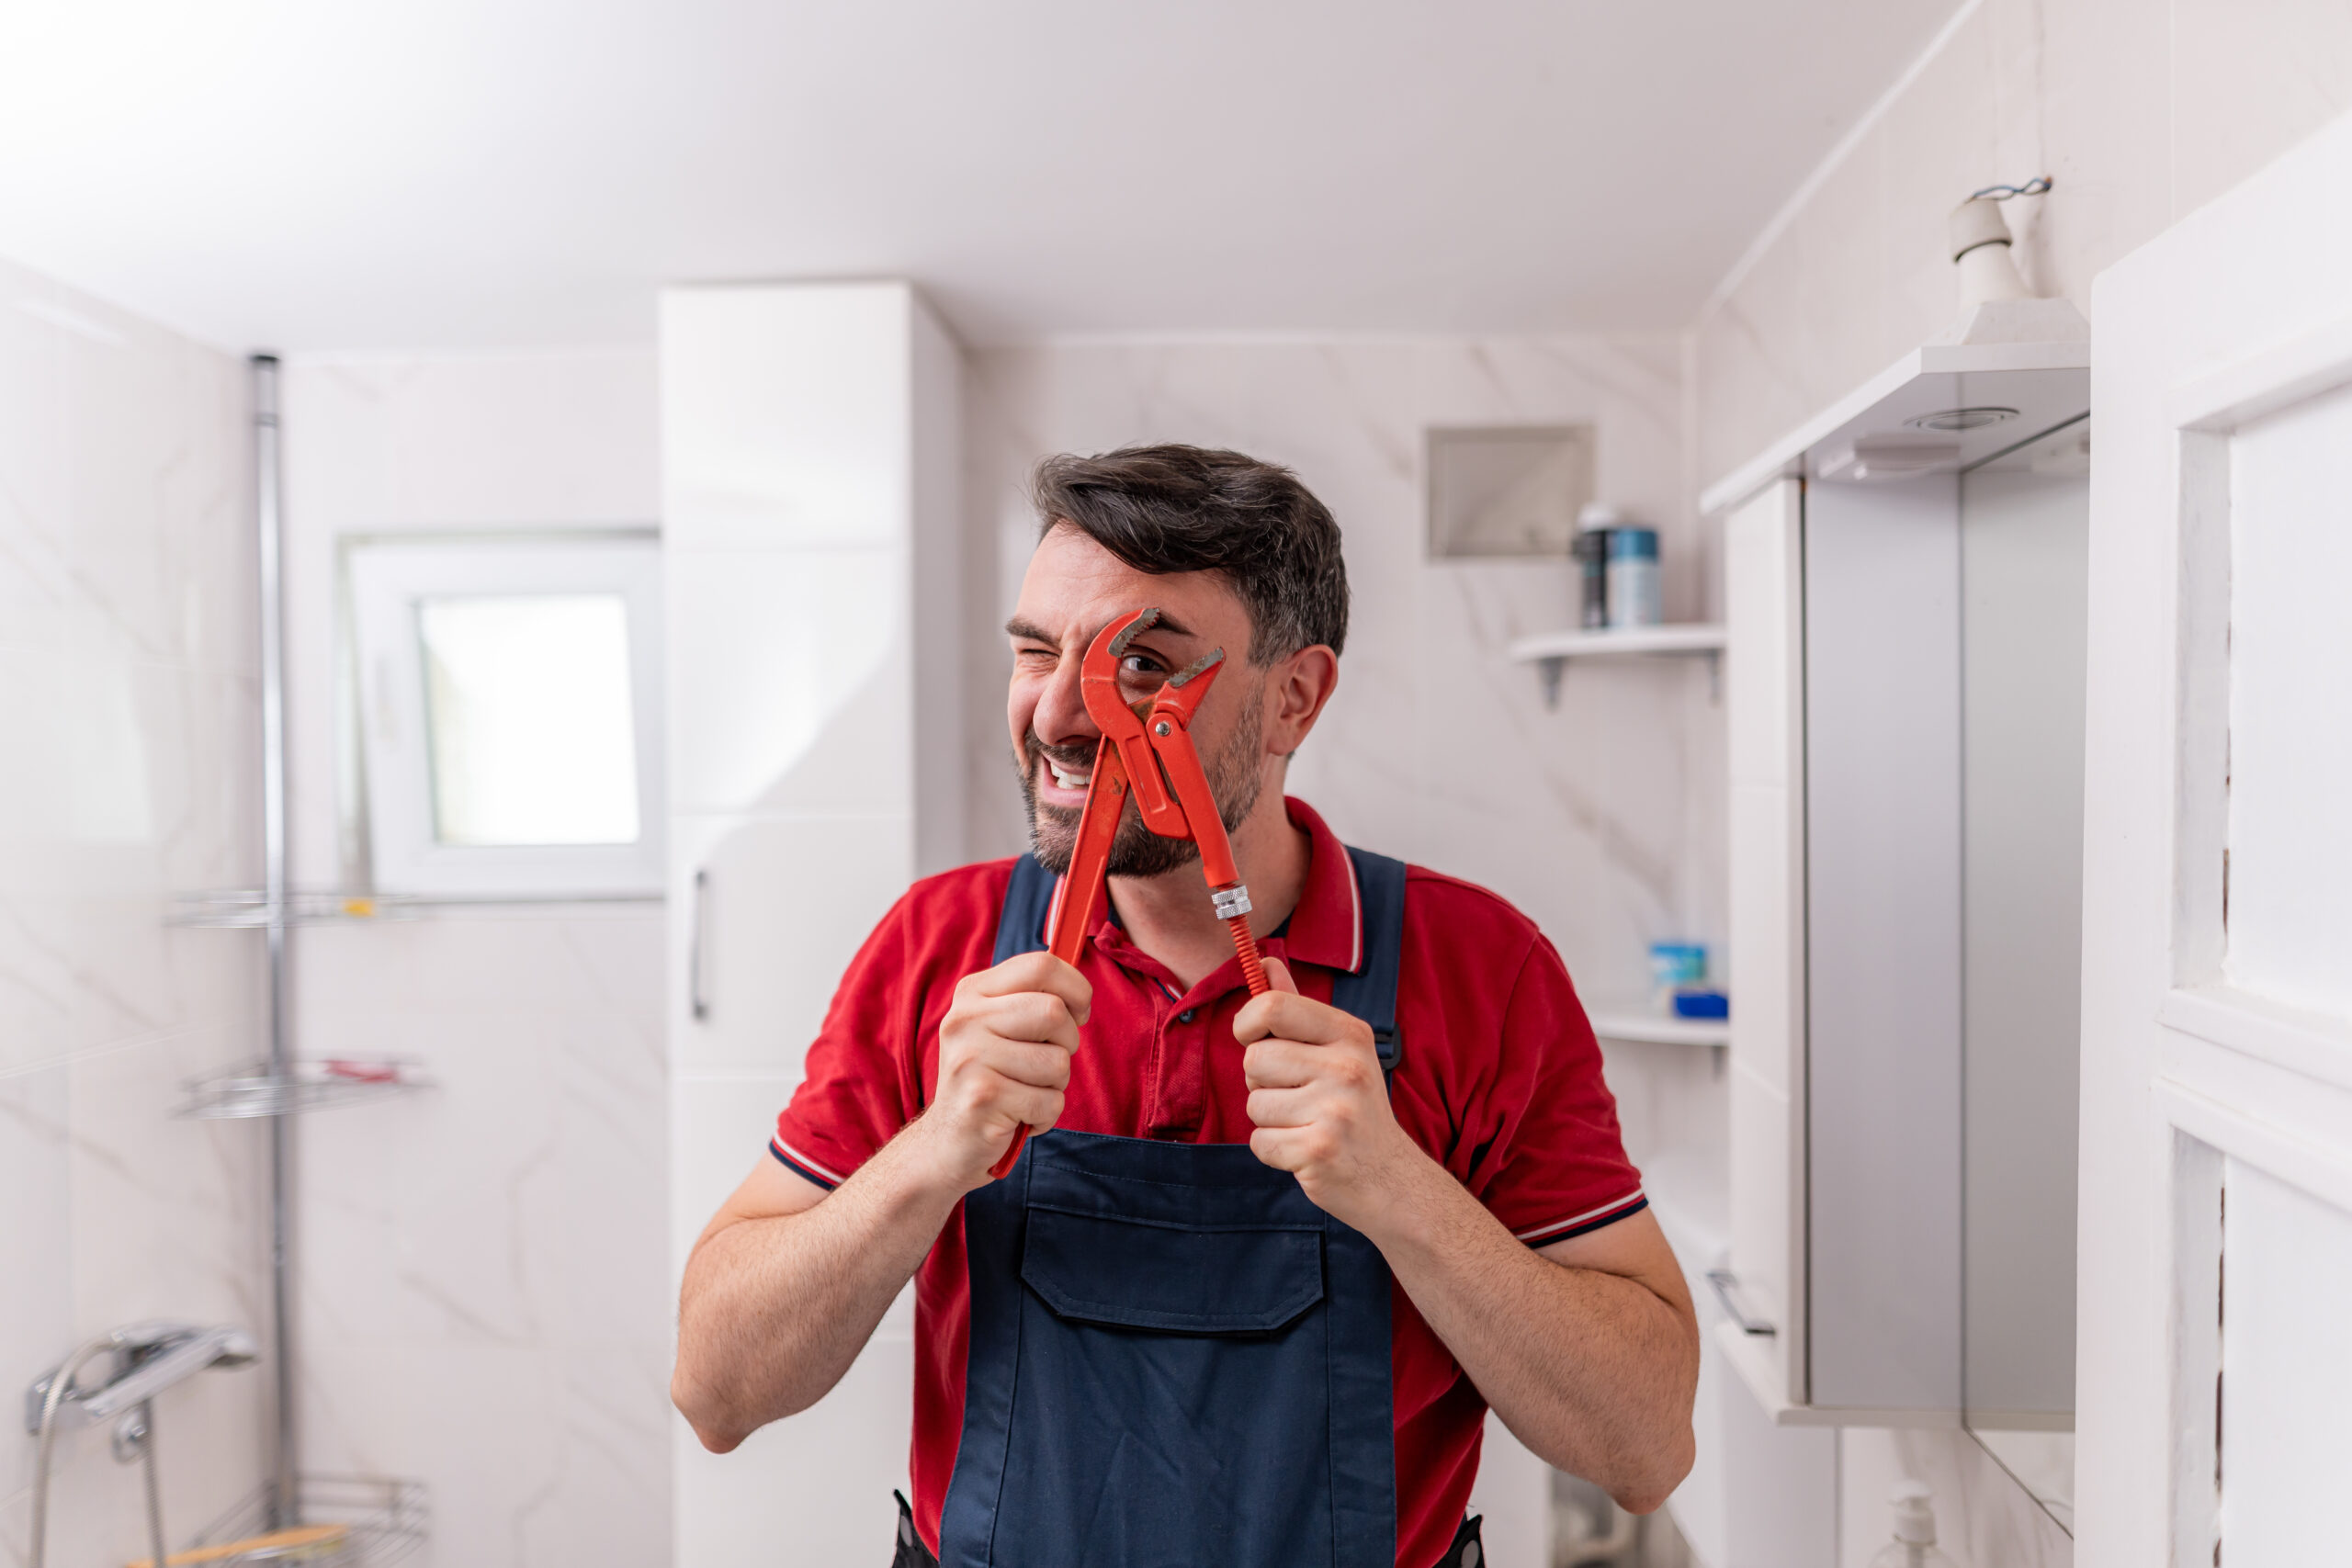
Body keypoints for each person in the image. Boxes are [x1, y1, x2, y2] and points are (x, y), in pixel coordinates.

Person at [672, 445, 1699, 1568]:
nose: (1062, 715)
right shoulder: (938, 947)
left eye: (1142, 666)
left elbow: (1643, 1448)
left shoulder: (1483, 967)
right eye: (1032, 653)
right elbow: (717, 1391)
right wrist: (930, 1154)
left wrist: (1401, 1189)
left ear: (1292, 698)